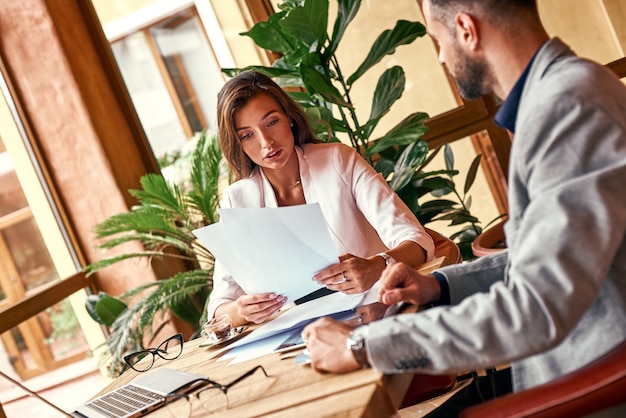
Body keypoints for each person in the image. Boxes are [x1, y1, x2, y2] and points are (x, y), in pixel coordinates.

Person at [303, 0, 626, 415]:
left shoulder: (567, 108)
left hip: (584, 378)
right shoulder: (566, 91)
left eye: (438, 41)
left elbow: (534, 308)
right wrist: (440, 285)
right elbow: (550, 259)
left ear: (466, 30)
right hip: (569, 357)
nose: (440, 56)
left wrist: (364, 344)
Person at [207, 70, 435, 327]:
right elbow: (218, 310)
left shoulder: (339, 161)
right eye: (247, 135)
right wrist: (242, 310)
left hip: (380, 313)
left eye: (271, 122)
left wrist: (377, 266)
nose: (266, 142)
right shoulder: (237, 200)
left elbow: (417, 241)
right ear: (237, 144)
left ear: (289, 118)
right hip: (304, 335)